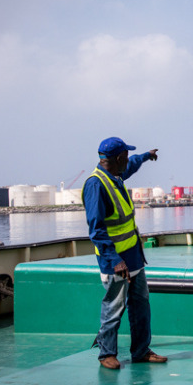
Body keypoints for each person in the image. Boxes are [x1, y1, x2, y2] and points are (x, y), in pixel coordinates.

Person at [82, 136, 168, 370]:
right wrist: (114, 259)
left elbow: (133, 164)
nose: (128, 159)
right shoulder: (96, 185)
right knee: (114, 307)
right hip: (117, 262)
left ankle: (141, 351)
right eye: (126, 155)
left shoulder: (116, 174)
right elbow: (96, 229)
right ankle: (106, 353)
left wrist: (147, 157)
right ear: (118, 157)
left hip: (134, 258)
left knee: (140, 304)